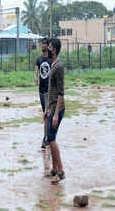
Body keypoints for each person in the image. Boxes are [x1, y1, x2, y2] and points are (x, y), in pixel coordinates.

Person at [44, 38, 65, 184]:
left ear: (55, 49)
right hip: (51, 108)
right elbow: (51, 91)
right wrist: (47, 109)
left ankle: (61, 171)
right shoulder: (53, 65)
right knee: (51, 139)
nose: (47, 48)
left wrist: (56, 113)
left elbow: (61, 93)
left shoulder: (58, 66)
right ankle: (54, 169)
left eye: (50, 46)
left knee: (51, 139)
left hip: (57, 109)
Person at [35, 38, 52, 149]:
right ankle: (48, 137)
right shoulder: (39, 59)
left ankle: (46, 138)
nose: (42, 46)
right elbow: (36, 69)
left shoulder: (51, 59)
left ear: (48, 46)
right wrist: (36, 77)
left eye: (44, 44)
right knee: (45, 115)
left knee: (47, 115)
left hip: (49, 91)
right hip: (41, 90)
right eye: (42, 44)